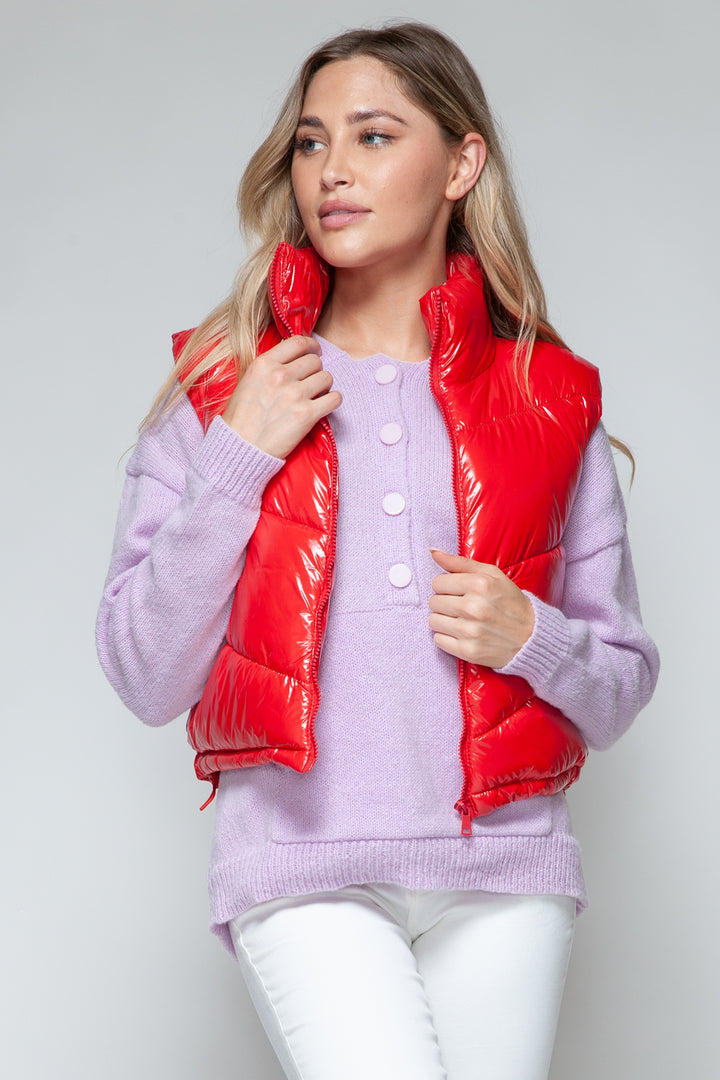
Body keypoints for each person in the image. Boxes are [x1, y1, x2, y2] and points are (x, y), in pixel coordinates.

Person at [96, 21, 659, 1080]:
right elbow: (143, 673)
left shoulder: (548, 397)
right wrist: (237, 459)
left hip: (507, 873)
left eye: (374, 135)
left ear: (461, 163)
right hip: (303, 869)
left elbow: (621, 687)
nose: (332, 171)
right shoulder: (225, 385)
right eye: (311, 142)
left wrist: (532, 636)